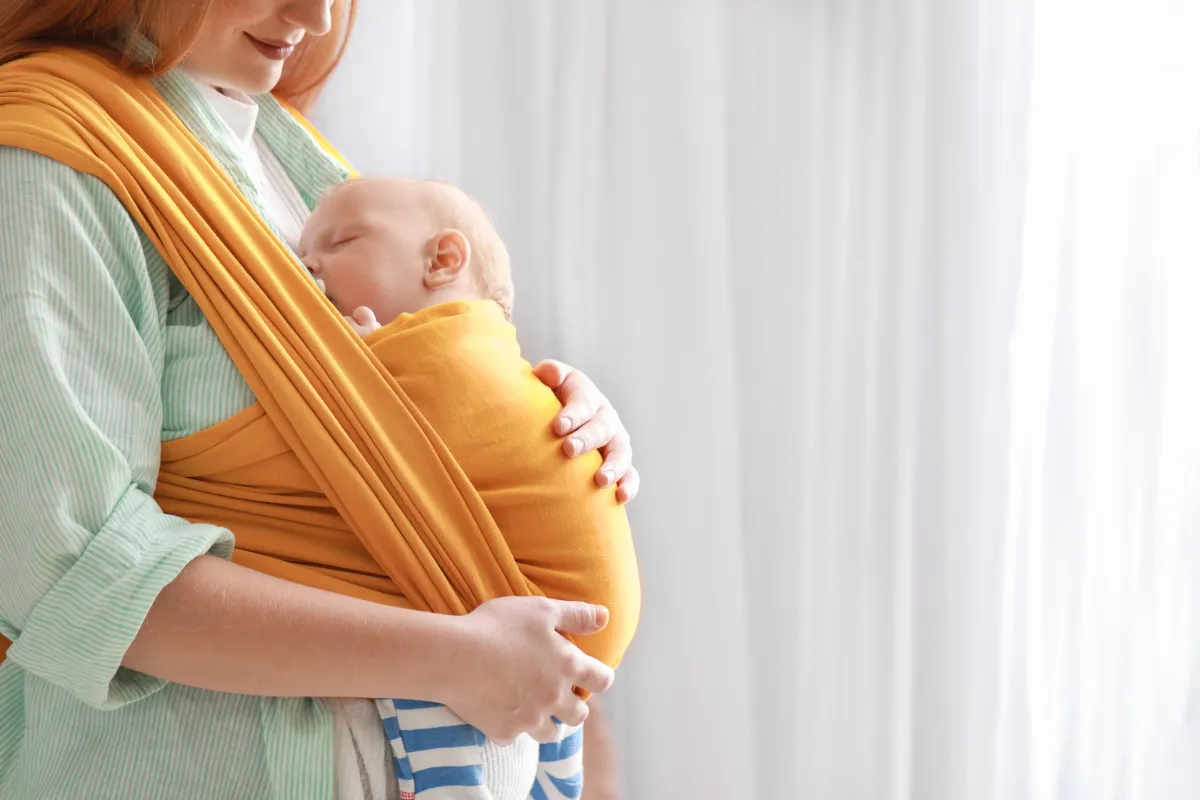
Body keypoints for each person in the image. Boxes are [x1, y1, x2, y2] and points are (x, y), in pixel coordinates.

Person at [0, 2, 640, 798]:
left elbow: (383, 427)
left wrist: (537, 414)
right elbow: (71, 566)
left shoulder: (288, 156)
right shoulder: (50, 163)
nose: (314, 13)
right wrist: (454, 657)